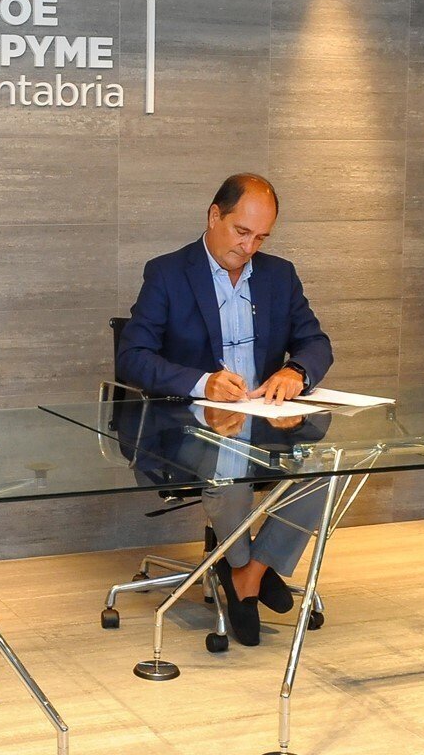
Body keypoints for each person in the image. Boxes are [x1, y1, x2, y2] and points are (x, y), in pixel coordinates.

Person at [116, 173, 334, 646]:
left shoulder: (279, 275)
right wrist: (203, 383)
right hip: (186, 426)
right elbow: (132, 357)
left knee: (327, 469)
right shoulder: (168, 273)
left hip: (264, 420)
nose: (249, 247)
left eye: (261, 237)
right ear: (214, 216)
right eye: (241, 232)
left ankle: (247, 573)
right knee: (230, 460)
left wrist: (295, 371)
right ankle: (246, 568)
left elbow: (316, 342)